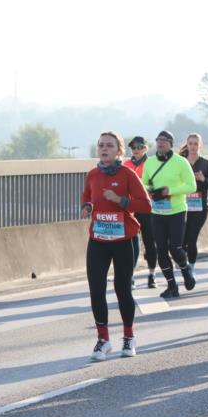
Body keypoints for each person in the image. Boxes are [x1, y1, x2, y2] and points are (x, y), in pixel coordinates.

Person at [80, 132, 151, 360]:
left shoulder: (127, 174)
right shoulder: (92, 174)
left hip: (124, 241)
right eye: (101, 145)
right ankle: (103, 340)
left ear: (119, 151)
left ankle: (128, 337)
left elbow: (146, 205)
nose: (104, 149)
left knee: (123, 290)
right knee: (96, 289)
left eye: (109, 145)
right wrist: (87, 207)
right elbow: (87, 197)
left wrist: (120, 200)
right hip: (99, 241)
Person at [141, 130, 197, 298]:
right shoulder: (149, 162)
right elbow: (143, 183)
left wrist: (170, 191)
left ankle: (186, 270)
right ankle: (172, 285)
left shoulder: (181, 162)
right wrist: (151, 190)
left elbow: (192, 186)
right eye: (158, 140)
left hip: (177, 211)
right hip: (157, 211)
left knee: (175, 248)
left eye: (164, 140)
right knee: (161, 250)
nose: (161, 143)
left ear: (171, 144)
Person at [124, 136, 158, 288]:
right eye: (133, 148)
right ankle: (130, 275)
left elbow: (156, 183)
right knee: (131, 243)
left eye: (139, 147)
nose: (136, 150)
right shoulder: (126, 164)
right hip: (131, 208)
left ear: (145, 148)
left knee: (150, 241)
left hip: (147, 207)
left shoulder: (151, 163)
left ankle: (152, 274)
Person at [179, 134, 208, 272]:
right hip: (182, 206)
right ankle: (183, 261)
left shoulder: (205, 164)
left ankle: (190, 269)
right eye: (190, 143)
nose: (193, 146)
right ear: (187, 145)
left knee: (192, 238)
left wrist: (204, 179)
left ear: (200, 145)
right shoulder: (180, 162)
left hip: (200, 207)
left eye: (196, 144)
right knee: (182, 240)